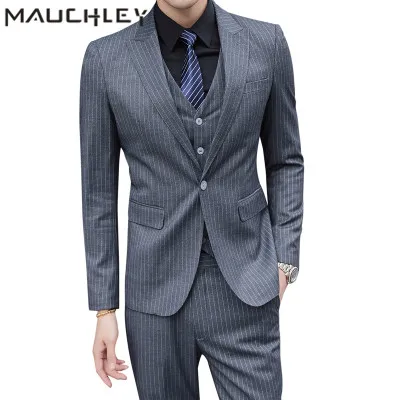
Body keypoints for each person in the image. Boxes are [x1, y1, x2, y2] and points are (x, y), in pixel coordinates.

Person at [79, 0, 304, 398]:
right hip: (154, 294)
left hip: (246, 284)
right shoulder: (105, 59)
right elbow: (98, 193)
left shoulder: (265, 42)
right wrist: (104, 308)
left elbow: (286, 160)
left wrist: (284, 263)